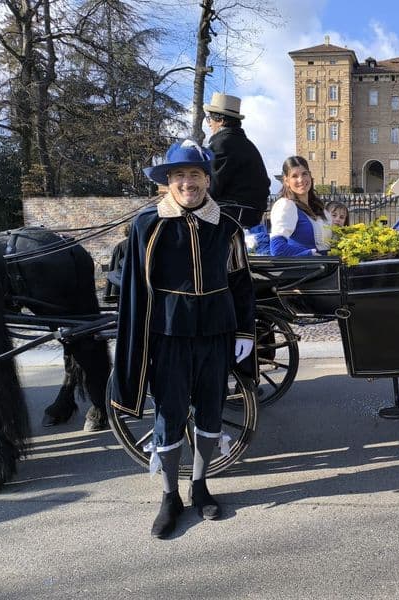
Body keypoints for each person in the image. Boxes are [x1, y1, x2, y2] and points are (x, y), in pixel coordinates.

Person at [111, 140, 256, 539]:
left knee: (210, 410)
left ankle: (200, 486)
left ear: (207, 179)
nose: (187, 183)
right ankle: (169, 495)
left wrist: (244, 331)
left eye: (194, 175)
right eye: (179, 176)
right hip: (168, 336)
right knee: (170, 413)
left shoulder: (227, 228)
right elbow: (136, 291)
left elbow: (241, 283)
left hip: (215, 333)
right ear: (167, 183)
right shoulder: (148, 226)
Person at [204, 92, 271, 227]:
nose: (209, 123)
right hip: (251, 214)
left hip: (231, 215)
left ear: (221, 120)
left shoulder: (222, 144)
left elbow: (212, 187)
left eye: (209, 118)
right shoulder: (246, 144)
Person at [269, 156, 332, 257]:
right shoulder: (286, 205)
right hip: (304, 270)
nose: (301, 179)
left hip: (327, 268)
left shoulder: (318, 207)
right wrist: (311, 254)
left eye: (304, 174)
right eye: (294, 176)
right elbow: (277, 249)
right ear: (286, 181)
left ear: (310, 175)